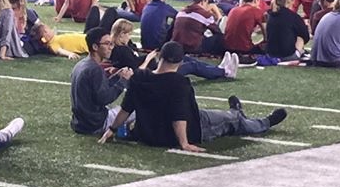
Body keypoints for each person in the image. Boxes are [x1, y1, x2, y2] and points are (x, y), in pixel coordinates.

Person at [113, 42, 285, 152]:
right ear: (180, 62)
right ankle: (264, 122)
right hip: (190, 128)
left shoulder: (139, 78)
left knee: (222, 115)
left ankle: (236, 112)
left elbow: (126, 108)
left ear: (160, 57)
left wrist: (111, 130)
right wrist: (184, 143)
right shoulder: (179, 82)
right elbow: (178, 116)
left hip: (149, 135)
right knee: (234, 122)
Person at [70, 31, 132, 135]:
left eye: (111, 43)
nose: (111, 47)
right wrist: (123, 81)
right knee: (136, 109)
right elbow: (105, 98)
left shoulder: (81, 64)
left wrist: (117, 76)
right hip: (95, 124)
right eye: (107, 44)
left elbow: (98, 89)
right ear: (95, 46)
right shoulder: (95, 69)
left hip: (80, 123)